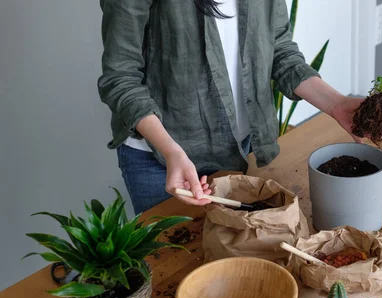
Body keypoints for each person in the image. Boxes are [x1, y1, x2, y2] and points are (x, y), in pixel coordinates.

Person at [97, 0, 363, 215]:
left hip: (235, 148)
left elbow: (280, 51)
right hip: (161, 160)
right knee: (173, 269)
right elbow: (120, 78)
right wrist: (171, 151)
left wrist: (337, 104)